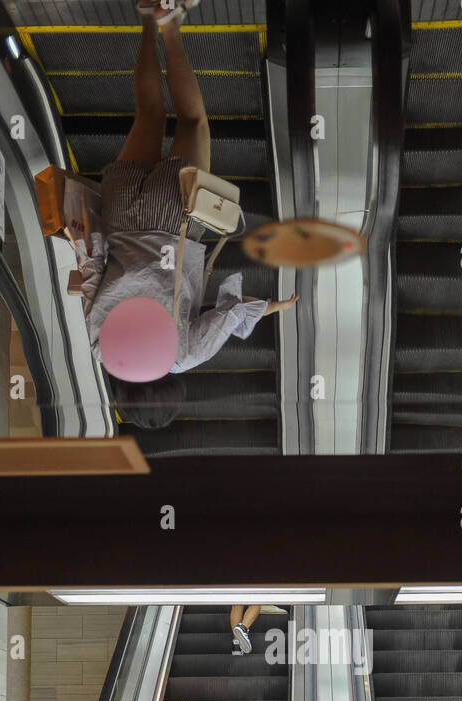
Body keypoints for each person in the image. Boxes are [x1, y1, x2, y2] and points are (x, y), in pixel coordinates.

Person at [71, 1, 297, 409]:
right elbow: (92, 272)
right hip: (121, 211)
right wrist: (87, 227)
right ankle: (146, 18)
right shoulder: (102, 347)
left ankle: (169, 23)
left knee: (193, 120)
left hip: (172, 219)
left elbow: (229, 314)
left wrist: (276, 307)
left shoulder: (181, 356)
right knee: (148, 112)